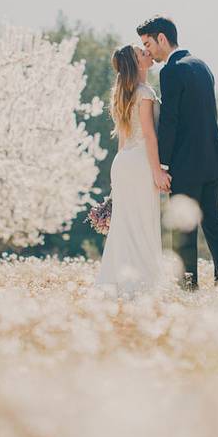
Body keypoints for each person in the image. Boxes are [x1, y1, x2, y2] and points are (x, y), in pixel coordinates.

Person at [137, 16, 218, 291]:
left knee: (183, 231)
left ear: (162, 39)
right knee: (215, 225)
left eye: (148, 43)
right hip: (212, 160)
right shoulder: (203, 66)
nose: (149, 51)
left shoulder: (171, 71)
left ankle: (187, 290)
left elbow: (170, 121)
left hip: (185, 164)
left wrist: (163, 165)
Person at [94, 45, 169, 296]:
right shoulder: (145, 92)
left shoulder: (122, 93)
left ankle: (120, 283)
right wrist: (157, 170)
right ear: (137, 64)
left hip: (122, 163)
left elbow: (123, 138)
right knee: (143, 222)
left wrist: (116, 182)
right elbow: (149, 135)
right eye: (141, 53)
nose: (147, 52)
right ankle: (143, 284)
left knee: (124, 226)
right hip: (139, 163)